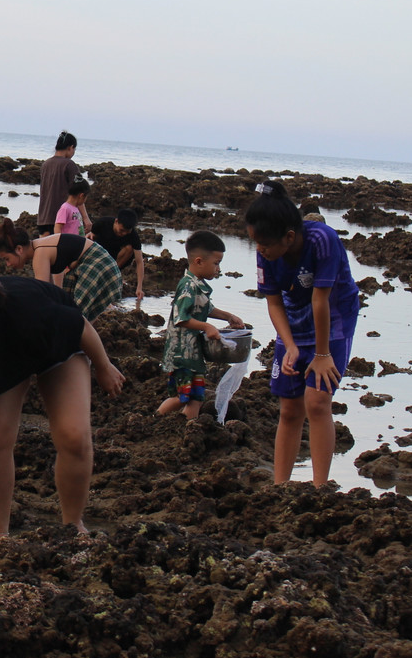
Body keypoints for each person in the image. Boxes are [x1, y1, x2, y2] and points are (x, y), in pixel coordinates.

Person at [0, 278, 124, 552]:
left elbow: (79, 324)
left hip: (54, 349)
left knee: (74, 436)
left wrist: (104, 366)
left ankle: (73, 527)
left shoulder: (31, 315)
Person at [246, 180, 361, 486]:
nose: (260, 250)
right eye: (256, 243)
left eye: (265, 245)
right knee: (290, 407)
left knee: (317, 402)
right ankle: (280, 486)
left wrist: (322, 355)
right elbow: (273, 302)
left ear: (290, 237)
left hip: (334, 319)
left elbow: (320, 299)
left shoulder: (323, 240)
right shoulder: (265, 252)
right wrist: (290, 346)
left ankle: (320, 487)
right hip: (294, 319)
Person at [157, 231, 246, 419]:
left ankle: (189, 429)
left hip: (194, 354)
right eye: (216, 263)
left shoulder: (198, 285)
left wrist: (228, 316)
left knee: (196, 397)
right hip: (182, 354)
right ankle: (156, 420)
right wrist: (207, 327)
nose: (218, 269)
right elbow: (181, 317)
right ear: (198, 261)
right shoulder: (188, 285)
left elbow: (206, 307)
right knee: (182, 397)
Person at [0, 218, 122, 321]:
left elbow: (41, 296)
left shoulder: (39, 254)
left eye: (7, 259)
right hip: (101, 264)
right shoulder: (39, 247)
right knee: (73, 316)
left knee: (75, 319)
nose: (8, 264)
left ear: (19, 249)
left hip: (99, 265)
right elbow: (51, 293)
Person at [89, 208, 146, 302]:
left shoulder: (133, 236)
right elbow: (90, 239)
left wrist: (139, 287)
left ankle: (112, 274)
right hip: (99, 254)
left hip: (115, 260)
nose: (123, 234)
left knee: (129, 248)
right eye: (121, 230)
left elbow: (139, 262)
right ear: (116, 221)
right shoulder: (102, 223)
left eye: (127, 232)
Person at [37, 131, 84, 236]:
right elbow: (79, 193)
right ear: (70, 147)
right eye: (74, 149)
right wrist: (85, 218)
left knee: (45, 251)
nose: (73, 152)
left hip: (43, 218)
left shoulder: (45, 164)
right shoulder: (69, 165)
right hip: (62, 220)